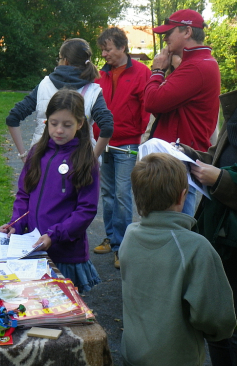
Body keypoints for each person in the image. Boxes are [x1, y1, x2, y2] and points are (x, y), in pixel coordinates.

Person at [120, 152, 235, 365]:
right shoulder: (196, 247)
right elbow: (217, 319)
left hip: (132, 352)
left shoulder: (130, 234)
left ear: (137, 197)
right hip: (175, 358)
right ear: (183, 196)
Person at [0, 89, 101, 292]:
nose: (59, 130)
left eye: (67, 124)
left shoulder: (85, 160)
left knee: (62, 312)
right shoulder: (38, 152)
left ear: (80, 123)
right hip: (33, 248)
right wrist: (16, 224)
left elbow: (86, 210)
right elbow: (24, 194)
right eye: (54, 123)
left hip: (65, 254)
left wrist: (55, 235)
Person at [177, 89, 237, 365]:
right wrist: (188, 155)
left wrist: (222, 178)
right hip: (221, 236)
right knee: (220, 323)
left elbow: (222, 171)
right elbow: (217, 157)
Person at [145, 9, 221, 216]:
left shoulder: (196, 66)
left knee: (172, 223)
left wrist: (158, 70)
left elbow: (152, 101)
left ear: (187, 31)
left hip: (179, 160)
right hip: (180, 156)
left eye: (169, 32)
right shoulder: (198, 63)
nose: (165, 37)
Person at [92, 27, 151, 268]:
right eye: (102, 49)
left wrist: (137, 131)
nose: (104, 54)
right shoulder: (99, 75)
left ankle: (123, 246)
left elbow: (146, 106)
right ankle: (111, 238)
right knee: (106, 194)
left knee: (122, 194)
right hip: (103, 143)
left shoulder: (141, 72)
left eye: (108, 49)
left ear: (122, 47)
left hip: (127, 142)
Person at [5, 38, 113, 162]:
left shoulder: (44, 84)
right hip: (78, 162)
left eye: (59, 58)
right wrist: (92, 159)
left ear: (65, 61)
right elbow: (107, 127)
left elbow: (13, 118)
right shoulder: (93, 91)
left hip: (42, 159)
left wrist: (23, 155)